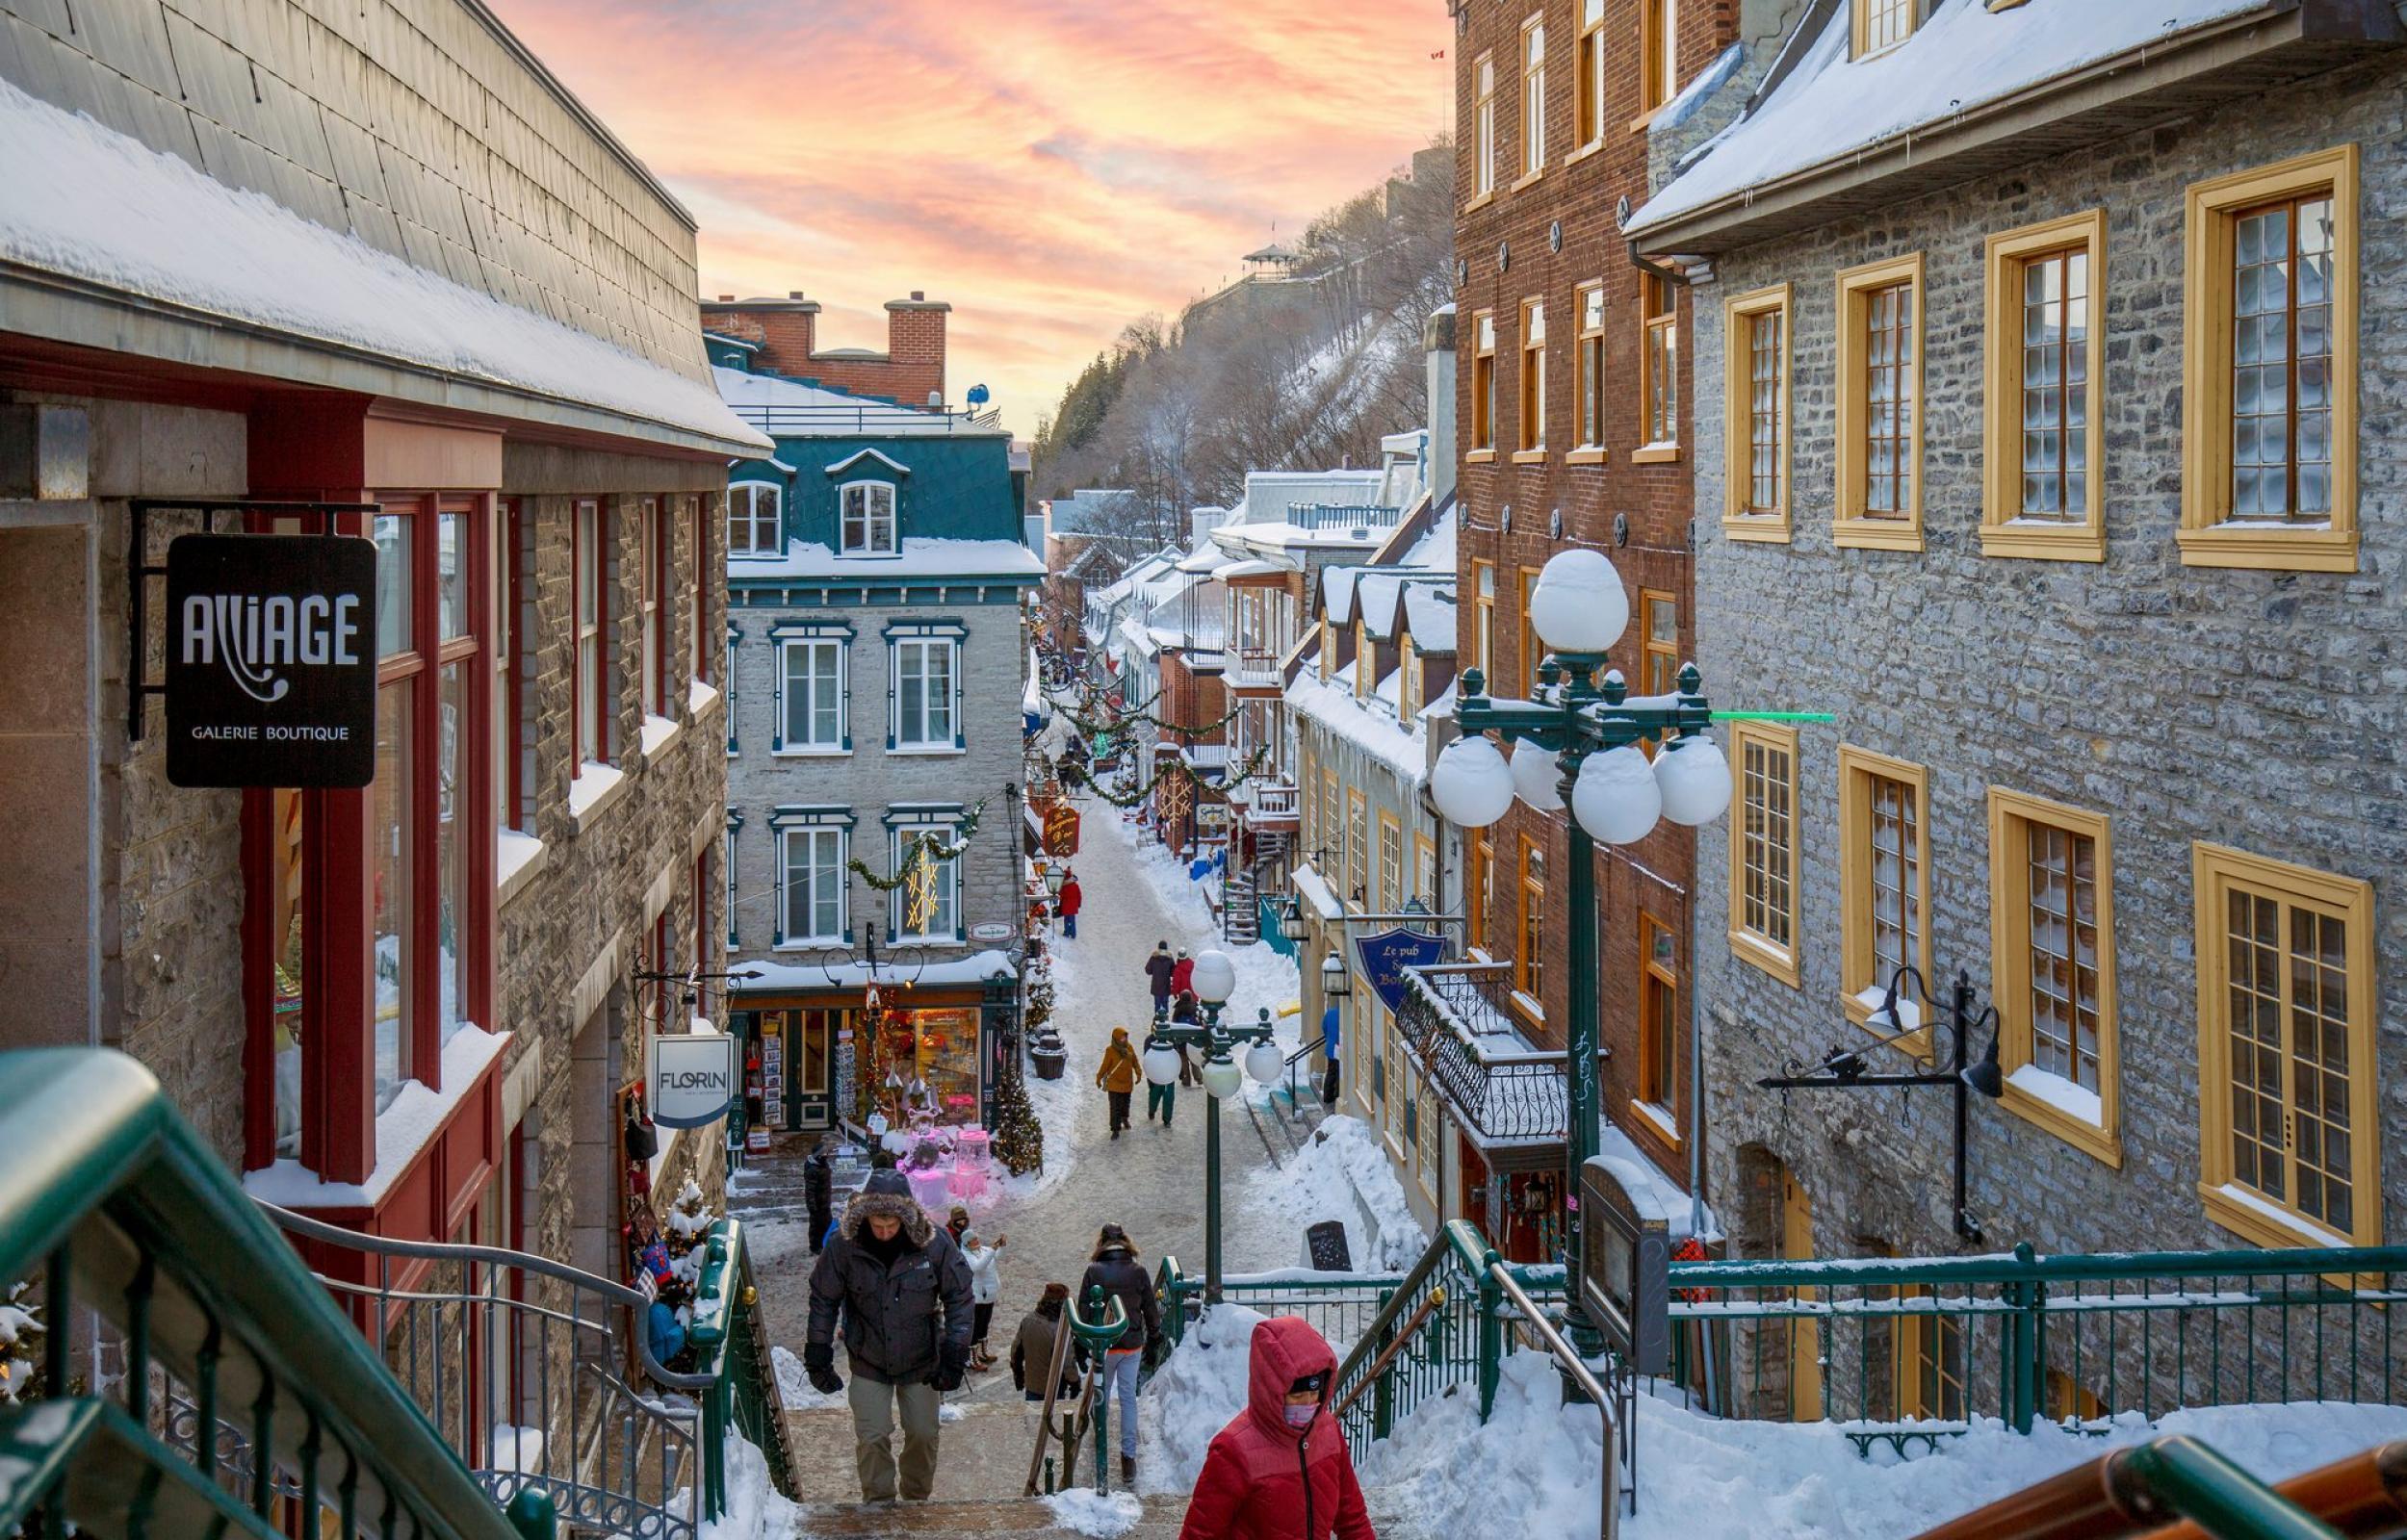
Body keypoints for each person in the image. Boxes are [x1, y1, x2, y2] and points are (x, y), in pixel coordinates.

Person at [803, 1169, 974, 1504]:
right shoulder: (843, 1247)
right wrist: (818, 1351)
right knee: (872, 1436)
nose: (884, 1233)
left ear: (904, 1219)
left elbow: (960, 1296)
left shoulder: (935, 1243)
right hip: (868, 1357)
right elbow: (823, 1299)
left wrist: (956, 1351)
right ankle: (879, 1502)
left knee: (924, 1434)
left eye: (891, 1226)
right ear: (865, 1217)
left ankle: (915, 1499)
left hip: (921, 1358)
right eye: (877, 1225)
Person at [1179, 1316, 1376, 1540]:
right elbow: (1200, 1534)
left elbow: (1353, 1518)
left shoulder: (1329, 1432)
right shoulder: (1233, 1450)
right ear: (1272, 1391)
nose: (1308, 1404)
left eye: (1315, 1394)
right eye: (1298, 1396)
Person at [1079, 1223, 1161, 1486]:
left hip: (1105, 1344)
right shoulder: (1138, 1272)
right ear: (1126, 1242)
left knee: (1101, 1393)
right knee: (1128, 1399)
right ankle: (1128, 1458)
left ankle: (1099, 1439)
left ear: (1101, 1243)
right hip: (1132, 1342)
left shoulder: (1093, 1271)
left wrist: (1082, 1343)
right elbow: (1150, 1308)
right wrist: (1154, 1338)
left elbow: (1082, 1308)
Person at [1010, 1282, 1087, 1403]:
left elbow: (1016, 1351)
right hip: (1054, 1386)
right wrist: (1075, 1382)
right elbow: (1067, 1362)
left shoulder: (1028, 1320)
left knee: (1033, 1416)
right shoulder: (1060, 1329)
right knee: (1052, 1417)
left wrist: (1018, 1374)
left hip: (1032, 1384)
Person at [963, 1229, 1009, 1370]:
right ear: (967, 1243)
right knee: (976, 1327)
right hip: (978, 1297)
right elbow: (978, 1266)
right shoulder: (966, 1255)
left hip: (989, 1294)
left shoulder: (983, 1250)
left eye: (977, 1239)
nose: (977, 1241)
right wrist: (992, 1250)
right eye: (974, 1240)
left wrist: (1002, 1247)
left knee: (984, 1324)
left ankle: (983, 1352)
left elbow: (997, 1257)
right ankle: (972, 1358)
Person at [1096, 1027, 1141, 1138]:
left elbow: (1135, 1061)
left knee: (1125, 1104)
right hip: (1114, 1085)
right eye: (1121, 1037)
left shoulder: (1129, 1047)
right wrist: (1099, 1077)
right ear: (1115, 1039)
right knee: (1115, 1107)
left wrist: (1138, 1073)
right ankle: (1115, 1129)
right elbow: (1105, 1066)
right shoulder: (1110, 1050)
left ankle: (1125, 1119)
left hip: (1127, 1083)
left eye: (1125, 1037)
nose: (1124, 1039)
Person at [804, 1135, 836, 1255]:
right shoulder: (813, 1170)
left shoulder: (823, 1165)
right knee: (816, 1226)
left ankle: (826, 1243)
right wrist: (812, 1206)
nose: (826, 1156)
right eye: (824, 1154)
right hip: (817, 1204)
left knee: (827, 1224)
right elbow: (810, 1190)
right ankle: (815, 1246)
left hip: (825, 1202)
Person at [1143, 1032, 1178, 1130]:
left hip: (1169, 1074)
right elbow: (1147, 1057)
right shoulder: (1149, 1040)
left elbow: (1176, 1055)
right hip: (1156, 1074)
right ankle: (1152, 1110)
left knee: (1168, 1097)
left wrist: (1180, 1070)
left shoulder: (1171, 1039)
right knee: (1154, 1094)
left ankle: (1167, 1119)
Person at [1171, 991, 1202, 1086]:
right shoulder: (1195, 1007)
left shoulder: (1178, 1009)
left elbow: (1174, 1023)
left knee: (1184, 1060)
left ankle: (1186, 1079)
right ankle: (1199, 1077)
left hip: (1182, 1039)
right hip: (1193, 1039)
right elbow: (1200, 1021)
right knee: (1193, 1059)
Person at [1320, 1001, 1341, 1106]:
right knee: (1338, 1073)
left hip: (1330, 1047)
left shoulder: (1330, 1013)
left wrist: (1329, 1037)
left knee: (1331, 1071)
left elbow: (1324, 1027)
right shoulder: (1343, 1016)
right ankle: (1336, 1094)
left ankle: (1327, 1096)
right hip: (1339, 1048)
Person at [1144, 941, 1176, 1014]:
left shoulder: (1153, 958)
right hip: (1166, 986)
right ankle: (1166, 1021)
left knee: (1157, 1005)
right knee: (1165, 1004)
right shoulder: (1170, 959)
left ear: (1158, 948)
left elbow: (1148, 971)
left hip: (1156, 986)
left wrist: (1154, 971)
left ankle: (1157, 1021)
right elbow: (1173, 973)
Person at [1058, 868, 1082, 939]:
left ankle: (1067, 932)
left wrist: (1060, 905)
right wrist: (1079, 904)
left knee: (1066, 919)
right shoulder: (1075, 885)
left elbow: (1061, 895)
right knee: (1072, 920)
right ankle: (1073, 934)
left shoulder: (1063, 886)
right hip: (1073, 905)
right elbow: (1079, 895)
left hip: (1066, 905)